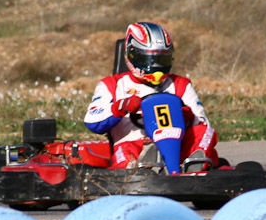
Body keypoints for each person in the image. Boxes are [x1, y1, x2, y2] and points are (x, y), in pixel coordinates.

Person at [83, 22, 218, 170]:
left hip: (178, 148)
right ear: (132, 55)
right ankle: (142, 168)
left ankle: (193, 165)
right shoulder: (112, 85)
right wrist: (119, 107)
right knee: (126, 153)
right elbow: (92, 120)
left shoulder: (181, 85)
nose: (156, 67)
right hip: (133, 145)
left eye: (161, 60)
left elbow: (202, 123)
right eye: (149, 60)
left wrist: (186, 115)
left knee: (205, 132)